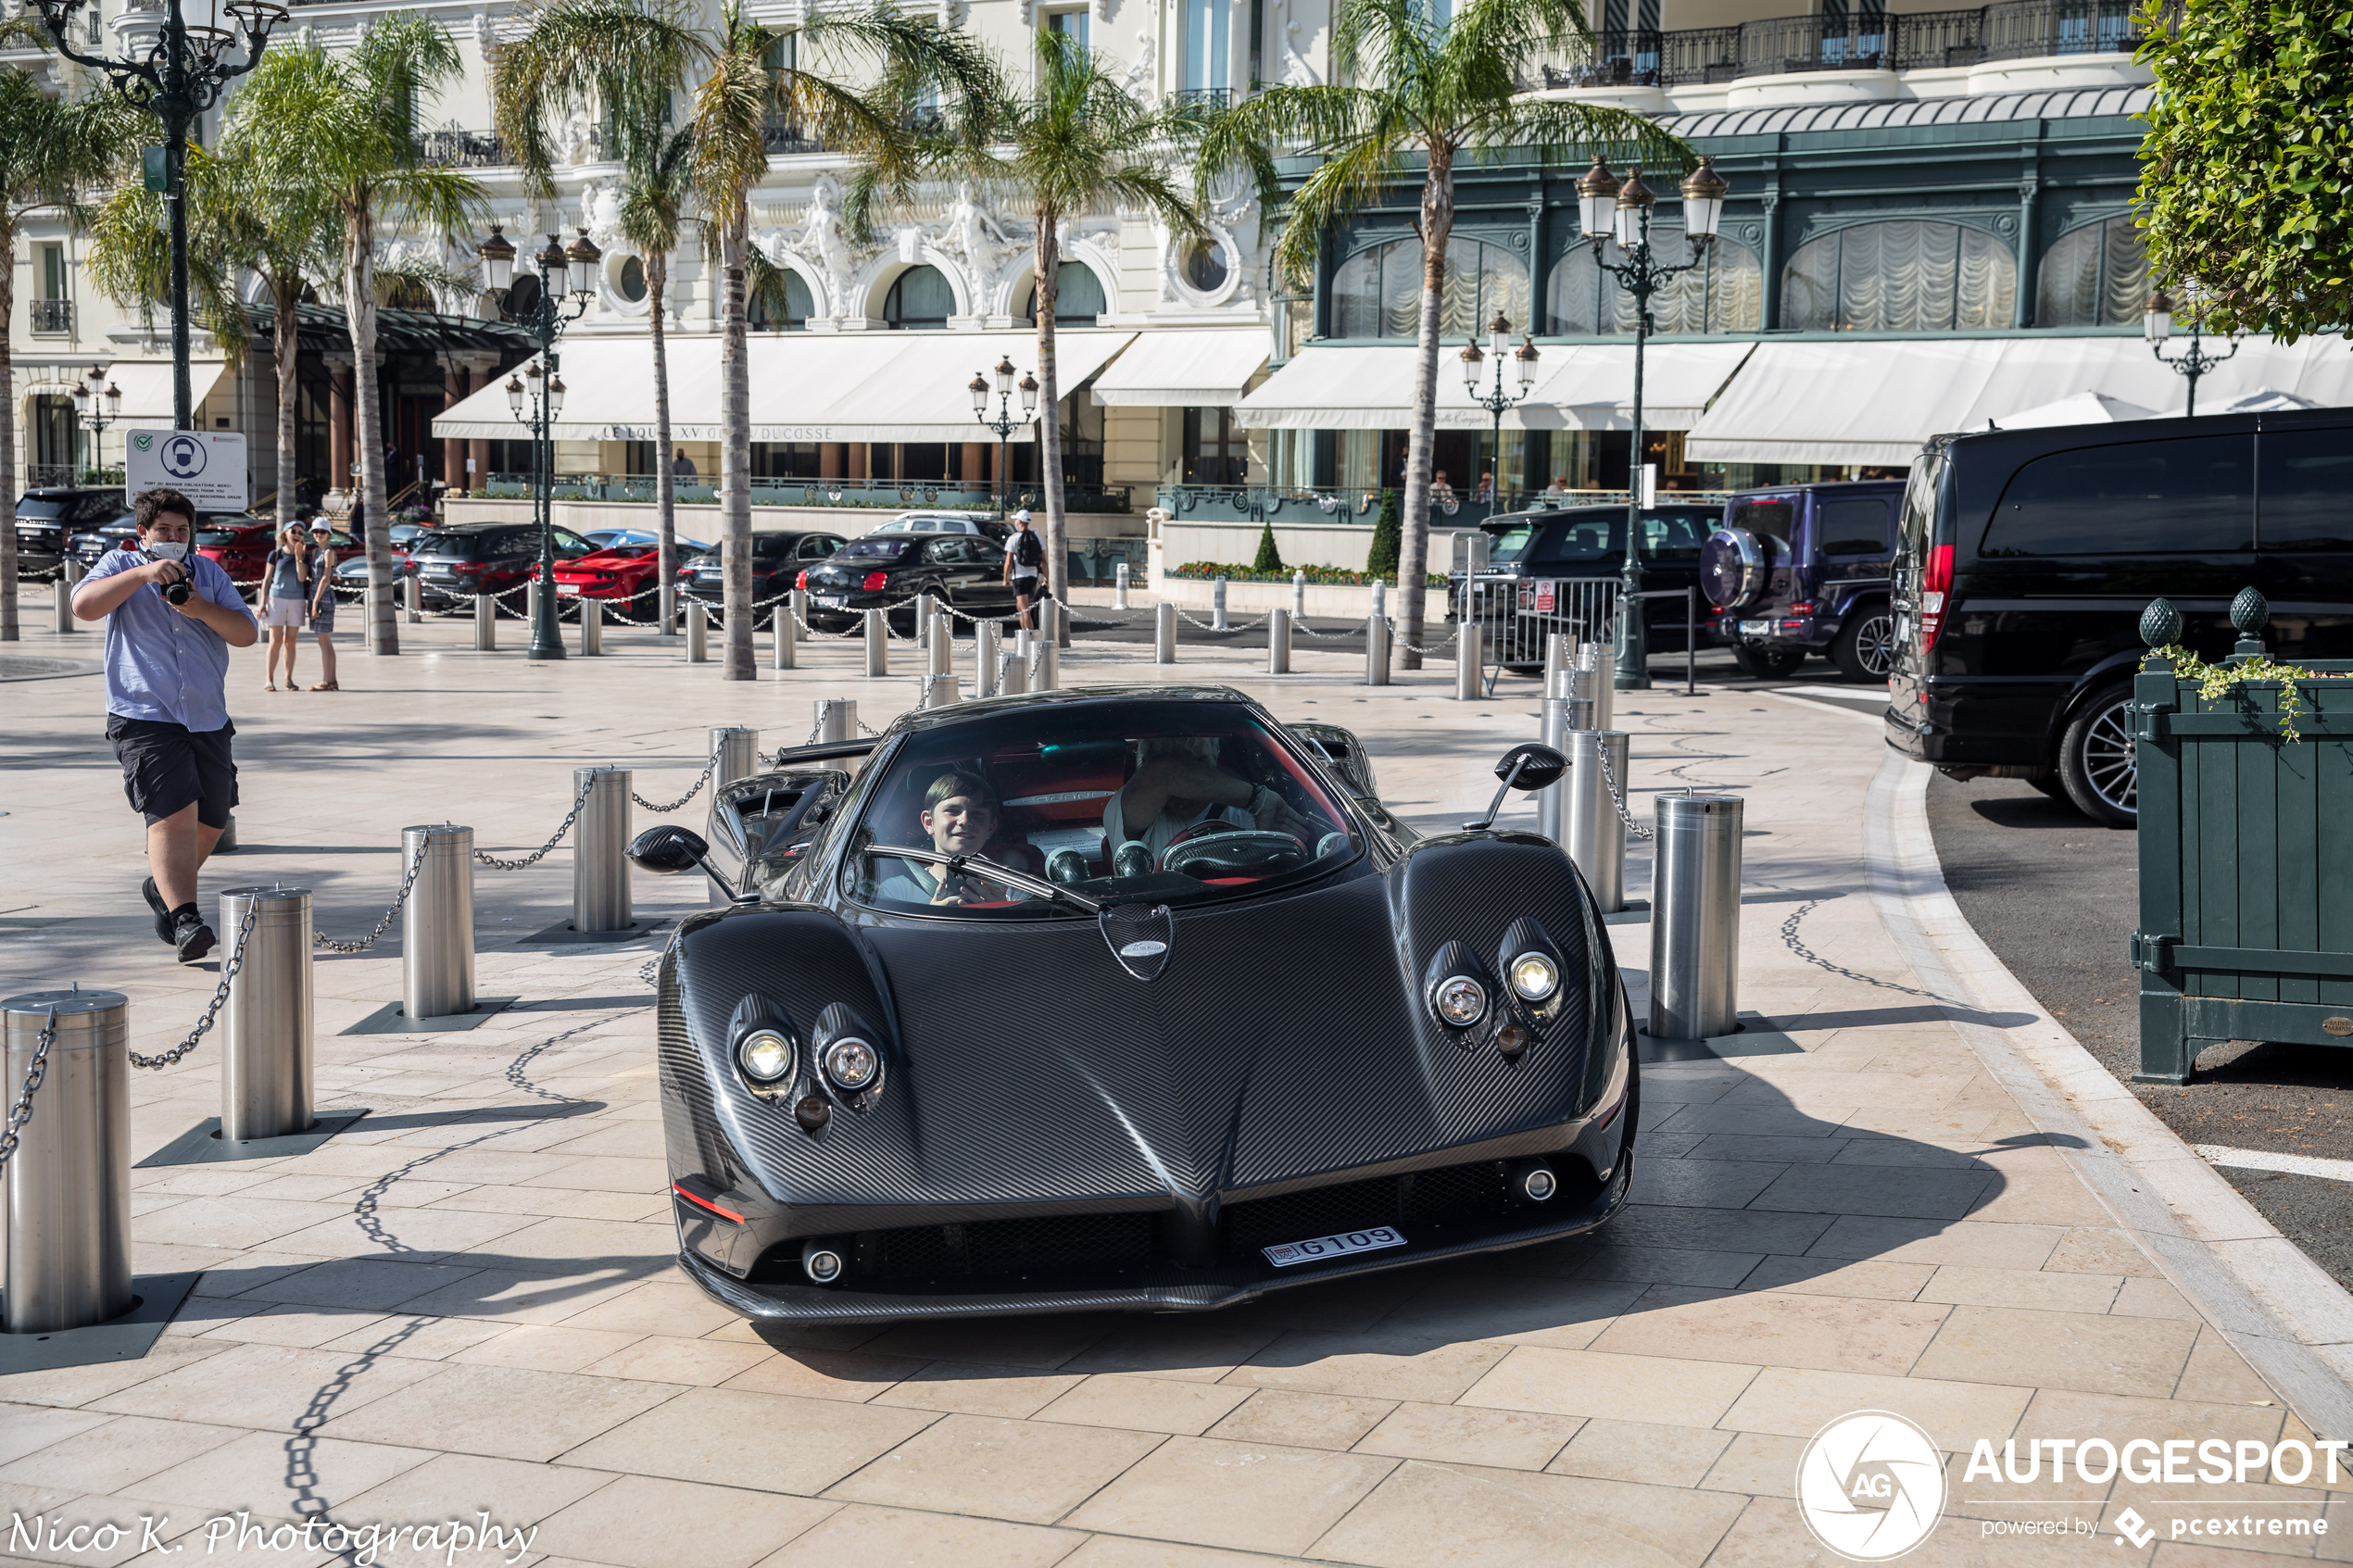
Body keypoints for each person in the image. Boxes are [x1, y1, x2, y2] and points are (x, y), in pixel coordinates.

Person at [71, 486, 259, 962]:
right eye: (164, 531)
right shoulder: (120, 565)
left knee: (213, 817)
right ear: (143, 534)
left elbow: (246, 634)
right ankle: (186, 920)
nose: (174, 538)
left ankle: (163, 888)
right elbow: (84, 606)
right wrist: (142, 573)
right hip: (143, 713)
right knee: (173, 814)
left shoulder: (209, 574)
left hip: (206, 715)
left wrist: (198, 607)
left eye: (181, 530)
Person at [1105, 737, 1312, 870]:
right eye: (1178, 764)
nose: (1186, 786)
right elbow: (1163, 776)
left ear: (1216, 755)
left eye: (1200, 764)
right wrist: (1258, 798)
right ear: (1147, 762)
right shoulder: (1125, 804)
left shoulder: (1246, 815)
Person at [878, 771, 1018, 906]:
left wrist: (1006, 911)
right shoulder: (896, 892)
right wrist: (931, 920)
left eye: (977, 813)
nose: (965, 820)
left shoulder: (1014, 889)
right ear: (929, 823)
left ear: (991, 828)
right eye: (953, 811)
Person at [260, 524, 312, 692]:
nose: (297, 535)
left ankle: (289, 679)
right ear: (286, 534)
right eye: (294, 531)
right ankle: (269, 680)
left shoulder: (304, 555)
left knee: (290, 642)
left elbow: (302, 578)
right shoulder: (275, 554)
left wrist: (298, 558)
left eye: (300, 533)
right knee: (275, 641)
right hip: (277, 598)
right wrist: (262, 602)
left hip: (296, 600)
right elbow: (267, 580)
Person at [307, 516, 342, 691]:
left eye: (322, 532)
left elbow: (326, 578)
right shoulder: (315, 552)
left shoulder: (329, 553)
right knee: (324, 640)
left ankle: (328, 680)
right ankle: (331, 679)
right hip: (315, 594)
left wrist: (315, 602)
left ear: (328, 534)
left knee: (324, 639)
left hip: (323, 596)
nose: (318, 534)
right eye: (316, 531)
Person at [1003, 508, 1045, 630]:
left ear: (1020, 522)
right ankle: (1025, 634)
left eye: (1016, 520)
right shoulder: (1038, 537)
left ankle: (1029, 636)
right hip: (1033, 576)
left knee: (1025, 609)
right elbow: (1044, 560)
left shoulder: (1013, 538)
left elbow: (1008, 561)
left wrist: (1005, 578)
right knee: (1020, 607)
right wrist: (1046, 579)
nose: (1015, 522)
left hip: (1019, 577)